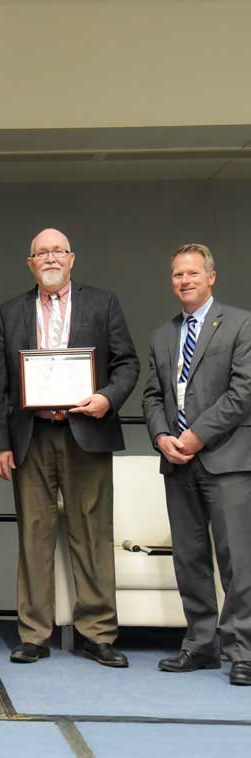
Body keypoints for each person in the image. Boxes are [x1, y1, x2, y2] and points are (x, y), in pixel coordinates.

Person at [0, 228, 139, 667]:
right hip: (31, 436)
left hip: (86, 432)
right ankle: (34, 633)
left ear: (72, 259)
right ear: (30, 263)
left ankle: (97, 633)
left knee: (92, 533)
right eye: (41, 252)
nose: (50, 258)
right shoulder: (9, 312)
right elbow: (0, 383)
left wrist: (107, 398)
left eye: (58, 251)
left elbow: (127, 363)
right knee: (33, 535)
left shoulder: (102, 303)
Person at [143, 243, 251, 686]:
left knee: (238, 561)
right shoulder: (161, 335)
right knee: (189, 559)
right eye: (176, 275)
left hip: (226, 460)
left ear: (211, 277)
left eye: (191, 273)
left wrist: (197, 434)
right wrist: (162, 436)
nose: (183, 281)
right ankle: (201, 644)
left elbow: (243, 392)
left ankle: (242, 650)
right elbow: (152, 397)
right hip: (178, 462)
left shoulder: (241, 324)